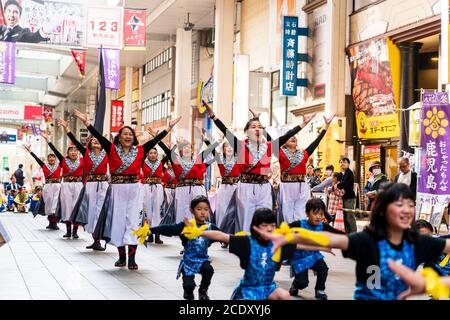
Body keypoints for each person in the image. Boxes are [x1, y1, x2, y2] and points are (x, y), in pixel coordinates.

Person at [253, 183, 450, 300]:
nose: (407, 210)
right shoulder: (368, 241)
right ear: (382, 210)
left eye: (410, 205)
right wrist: (292, 236)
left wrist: (435, 283)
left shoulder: (419, 242)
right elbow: (333, 238)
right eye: (399, 204)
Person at [73, 109, 180, 270]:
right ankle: (121, 257)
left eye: (130, 134)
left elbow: (156, 140)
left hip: (135, 190)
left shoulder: (141, 150)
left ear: (134, 137)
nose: (128, 136)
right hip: (117, 189)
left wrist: (168, 128)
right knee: (118, 222)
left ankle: (132, 259)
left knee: (134, 223)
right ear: (119, 137)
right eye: (125, 134)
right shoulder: (111, 149)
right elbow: (99, 137)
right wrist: (86, 123)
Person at [203, 101, 315, 232]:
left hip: (264, 189)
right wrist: (213, 116)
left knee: (265, 220)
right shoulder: (240, 146)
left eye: (259, 127)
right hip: (246, 187)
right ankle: (245, 244)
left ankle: (263, 245)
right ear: (246, 131)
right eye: (253, 127)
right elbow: (225, 130)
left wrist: (304, 123)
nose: (257, 129)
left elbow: (287, 135)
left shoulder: (268, 146)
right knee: (245, 220)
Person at [188, 208, 296, 300]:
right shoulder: (247, 242)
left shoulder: (278, 243)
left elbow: (300, 245)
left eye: (273, 225)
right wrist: (199, 232)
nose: (269, 229)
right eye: (265, 225)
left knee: (285, 295)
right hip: (248, 290)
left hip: (268, 288)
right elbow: (222, 236)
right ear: (256, 227)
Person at [149, 196, 219, 300]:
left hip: (203, 260)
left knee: (209, 270)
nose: (203, 212)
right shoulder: (185, 226)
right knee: (189, 285)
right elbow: (168, 229)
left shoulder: (211, 227)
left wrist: (241, 240)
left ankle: (203, 290)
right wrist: (150, 230)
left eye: (206, 209)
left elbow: (224, 235)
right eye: (199, 209)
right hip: (188, 262)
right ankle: (188, 292)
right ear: (192, 210)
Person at [58, 119, 109, 251]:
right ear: (90, 144)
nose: (96, 141)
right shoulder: (86, 153)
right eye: (93, 140)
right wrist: (67, 128)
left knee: (100, 211)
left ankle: (99, 238)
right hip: (91, 185)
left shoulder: (108, 153)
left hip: (103, 185)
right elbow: (75, 142)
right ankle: (95, 239)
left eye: (98, 140)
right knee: (91, 211)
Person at [277, 116, 333, 223]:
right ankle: (289, 237)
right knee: (287, 215)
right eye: (290, 136)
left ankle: (300, 236)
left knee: (301, 214)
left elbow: (316, 142)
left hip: (302, 186)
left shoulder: (304, 153)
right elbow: (271, 140)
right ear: (284, 141)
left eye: (295, 137)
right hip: (287, 186)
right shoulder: (279, 152)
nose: (293, 138)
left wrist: (326, 126)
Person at [288, 198, 345, 300]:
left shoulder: (322, 226)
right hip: (299, 258)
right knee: (303, 283)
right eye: (315, 213)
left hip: (314, 256)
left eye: (321, 214)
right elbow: (283, 229)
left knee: (323, 268)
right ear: (307, 213)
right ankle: (296, 285)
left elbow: (337, 232)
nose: (318, 217)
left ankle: (320, 289)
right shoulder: (299, 225)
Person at [41, 132, 84, 239]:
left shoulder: (83, 160)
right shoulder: (63, 160)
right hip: (66, 185)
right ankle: (68, 231)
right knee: (67, 207)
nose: (73, 152)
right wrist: (48, 141)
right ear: (67, 153)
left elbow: (88, 152)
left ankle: (75, 231)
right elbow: (55, 151)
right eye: (71, 151)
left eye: (75, 150)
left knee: (76, 207)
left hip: (78, 185)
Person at [23, 145, 61, 230]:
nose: (51, 159)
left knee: (55, 204)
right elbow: (36, 158)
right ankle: (51, 222)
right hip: (48, 186)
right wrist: (30, 151)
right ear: (47, 159)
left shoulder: (59, 165)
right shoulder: (44, 166)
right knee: (48, 205)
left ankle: (55, 223)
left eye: (53, 157)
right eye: (50, 157)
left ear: (55, 159)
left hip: (57, 186)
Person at [337, 157, 357, 233]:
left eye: (344, 162)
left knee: (349, 216)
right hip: (345, 198)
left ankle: (353, 233)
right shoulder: (344, 173)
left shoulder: (349, 173)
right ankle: (348, 233)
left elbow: (345, 184)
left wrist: (337, 186)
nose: (342, 164)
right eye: (341, 162)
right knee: (345, 217)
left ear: (348, 164)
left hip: (350, 198)